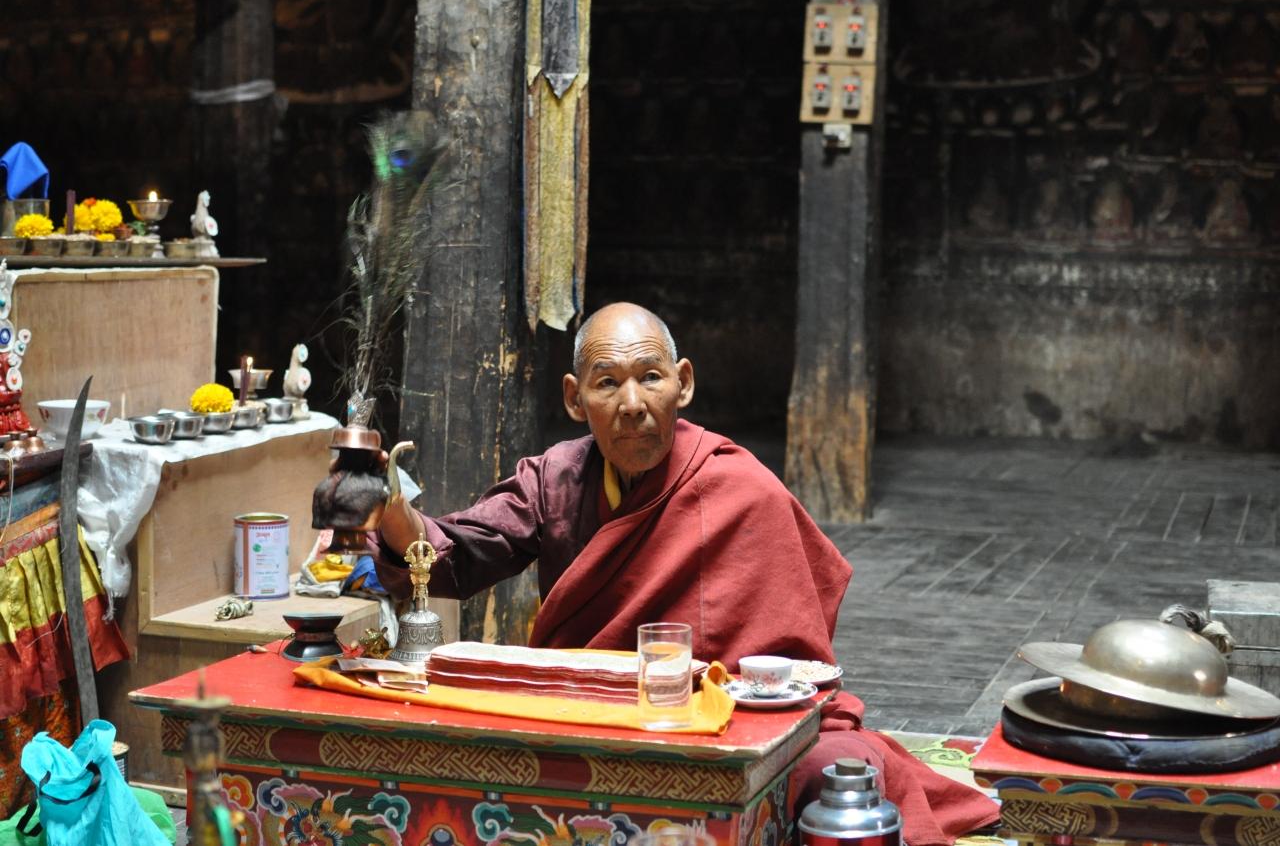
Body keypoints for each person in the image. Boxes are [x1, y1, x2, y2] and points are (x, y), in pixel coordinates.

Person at [363, 302, 999, 845]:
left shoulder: (741, 488)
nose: (633, 404)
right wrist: (389, 504)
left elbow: (795, 669)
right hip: (586, 710)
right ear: (575, 398)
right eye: (607, 383)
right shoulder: (556, 479)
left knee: (836, 768)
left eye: (651, 378)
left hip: (723, 718)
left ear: (683, 383)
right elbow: (450, 554)